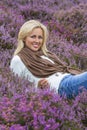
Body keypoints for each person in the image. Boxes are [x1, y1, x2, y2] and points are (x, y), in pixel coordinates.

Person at [10, 20, 87, 98]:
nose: (37, 41)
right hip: (61, 86)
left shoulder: (46, 54)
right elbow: (16, 88)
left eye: (40, 37)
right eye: (33, 37)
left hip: (70, 77)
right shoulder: (18, 60)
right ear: (24, 38)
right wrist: (38, 87)